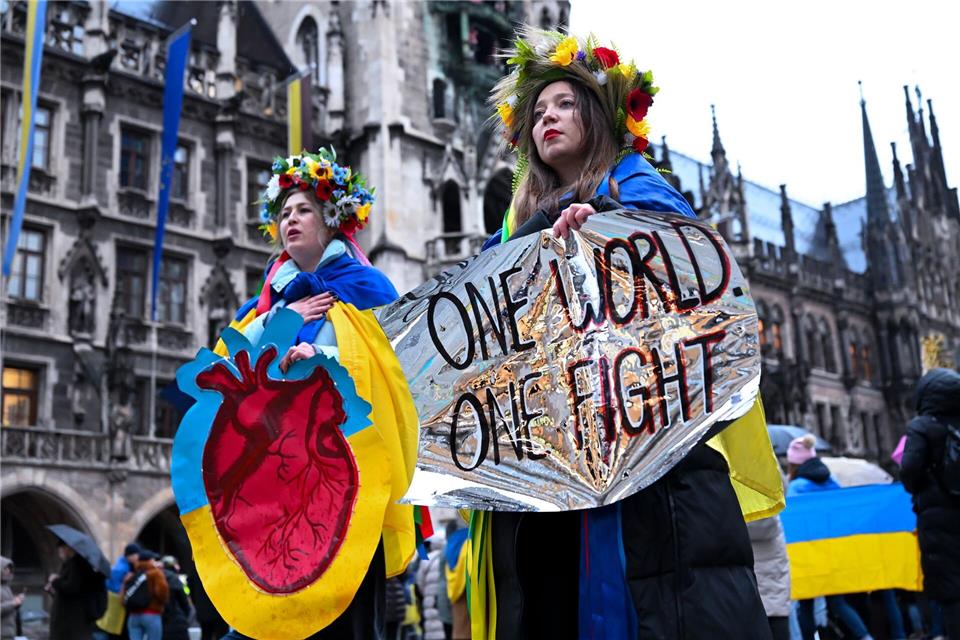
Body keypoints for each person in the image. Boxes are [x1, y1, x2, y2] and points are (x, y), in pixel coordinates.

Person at [475, 27, 776, 640]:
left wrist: (610, 228)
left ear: (598, 118)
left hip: (650, 474)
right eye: (537, 112)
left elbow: (698, 287)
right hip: (553, 474)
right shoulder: (510, 235)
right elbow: (468, 324)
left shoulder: (640, 192)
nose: (547, 118)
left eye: (564, 104)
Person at [209, 148, 417, 639]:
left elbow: (393, 376)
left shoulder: (368, 287)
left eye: (303, 209)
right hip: (277, 478)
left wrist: (320, 362)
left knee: (345, 617)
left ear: (331, 221)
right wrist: (283, 321)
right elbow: (222, 369)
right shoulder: (263, 303)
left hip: (345, 472)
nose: (291, 220)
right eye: (284, 213)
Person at [787, 435, 874, 640]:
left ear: (794, 464)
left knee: (806, 604)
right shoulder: (832, 482)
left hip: (808, 552)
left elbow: (794, 523)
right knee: (838, 603)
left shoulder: (797, 488)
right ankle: (865, 637)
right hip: (834, 552)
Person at [900, 367, 960, 640]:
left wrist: (923, 486)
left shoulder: (922, 426)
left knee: (949, 590)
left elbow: (909, 470)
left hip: (937, 520)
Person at [46, 541, 102, 640]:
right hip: (70, 622)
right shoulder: (72, 564)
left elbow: (71, 587)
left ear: (67, 549)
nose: (59, 555)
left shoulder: (77, 565)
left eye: (60, 551)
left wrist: (55, 580)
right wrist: (54, 590)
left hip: (72, 623)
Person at [95, 542, 141, 640]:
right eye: (136, 554)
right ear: (130, 555)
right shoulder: (121, 568)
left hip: (116, 605)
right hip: (116, 605)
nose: (138, 557)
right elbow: (115, 588)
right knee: (112, 631)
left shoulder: (125, 565)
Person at [122, 550, 169, 640]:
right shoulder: (156, 573)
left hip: (133, 616)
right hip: (151, 614)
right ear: (150, 561)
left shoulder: (132, 575)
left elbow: (123, 598)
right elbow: (162, 593)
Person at [159, 557, 190, 640]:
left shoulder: (156, 578)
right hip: (178, 622)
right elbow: (184, 603)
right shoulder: (175, 579)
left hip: (162, 623)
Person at [1, 557, 24, 640]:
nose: (8, 571)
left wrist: (17, 601)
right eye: (5, 568)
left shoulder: (6, 587)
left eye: (9, 568)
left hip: (10, 632)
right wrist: (13, 603)